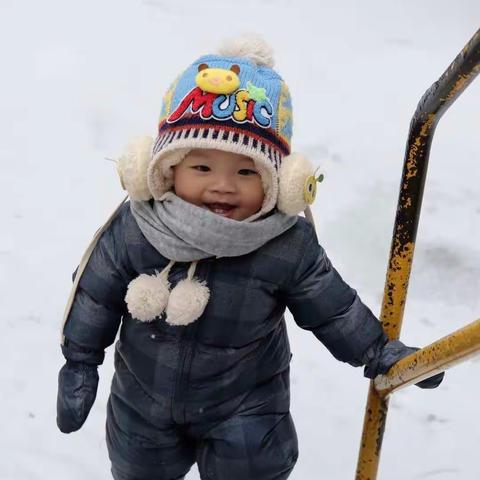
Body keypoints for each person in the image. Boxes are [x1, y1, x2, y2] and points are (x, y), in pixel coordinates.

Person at [56, 35, 444, 480]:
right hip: (142, 397)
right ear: (163, 169)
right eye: (201, 168)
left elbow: (332, 308)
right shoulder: (136, 227)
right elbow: (95, 294)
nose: (223, 186)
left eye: (245, 172)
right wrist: (80, 361)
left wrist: (378, 351)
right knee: (139, 469)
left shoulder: (285, 243)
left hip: (246, 402)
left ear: (281, 183)